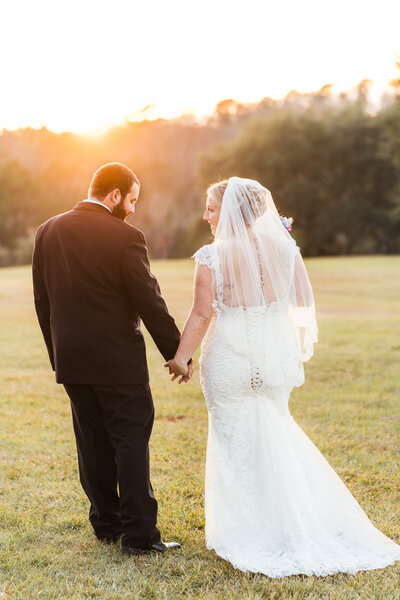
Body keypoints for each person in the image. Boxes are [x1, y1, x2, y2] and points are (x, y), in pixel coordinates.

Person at [164, 176, 400, 577]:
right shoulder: (284, 249)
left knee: (236, 442)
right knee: (275, 434)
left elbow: (202, 314)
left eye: (211, 207)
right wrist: (269, 315)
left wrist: (181, 358)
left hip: (230, 360)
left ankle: (249, 532)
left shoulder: (211, 256)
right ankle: (292, 521)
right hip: (273, 360)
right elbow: (303, 300)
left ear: (232, 211)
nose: (206, 215)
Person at [32, 162, 191, 555]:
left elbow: (42, 302)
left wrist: (58, 357)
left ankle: (107, 526)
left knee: (92, 443)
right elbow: (148, 301)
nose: (133, 209)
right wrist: (177, 353)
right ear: (114, 195)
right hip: (118, 363)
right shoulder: (126, 237)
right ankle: (139, 537)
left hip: (72, 361)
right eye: (132, 199)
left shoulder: (47, 231)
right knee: (130, 443)